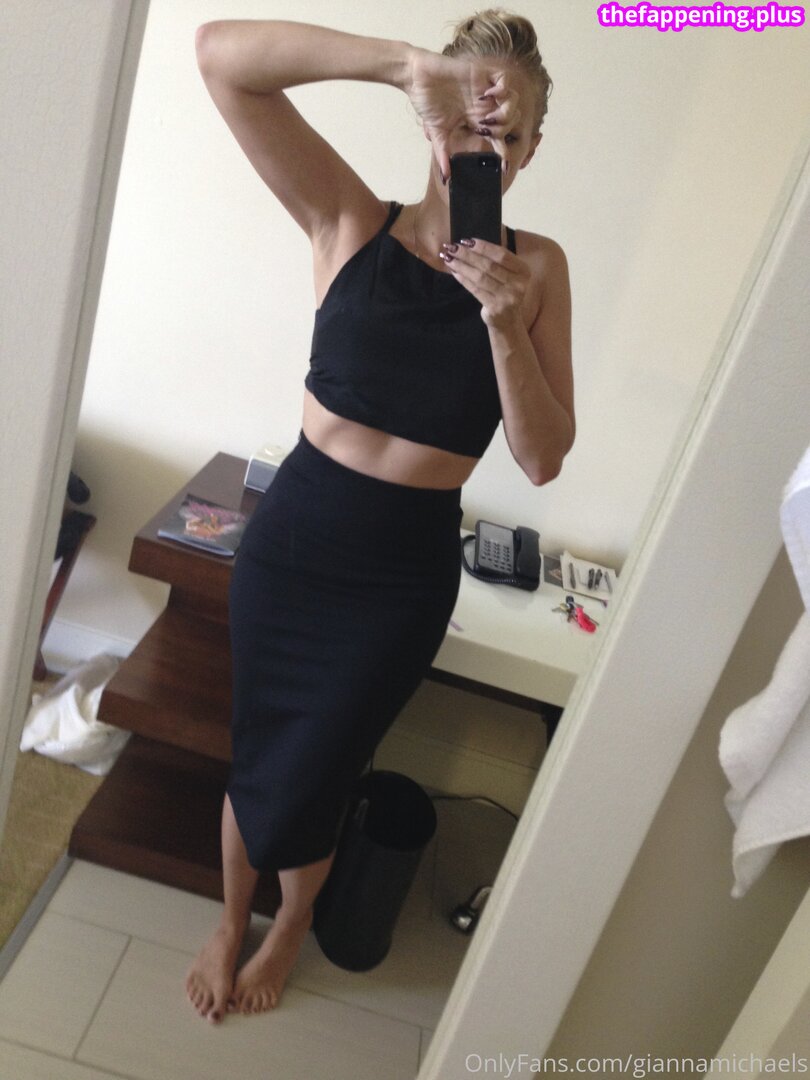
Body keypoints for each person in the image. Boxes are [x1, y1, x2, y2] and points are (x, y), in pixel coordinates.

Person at [186, 10, 575, 1024]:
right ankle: (228, 922)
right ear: (433, 118)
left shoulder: (538, 274)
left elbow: (542, 457)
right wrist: (404, 66)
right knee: (262, 749)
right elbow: (222, 59)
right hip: (295, 546)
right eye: (468, 120)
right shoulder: (349, 222)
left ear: (532, 150)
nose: (485, 149)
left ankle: (288, 926)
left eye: (508, 133)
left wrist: (505, 327)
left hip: (399, 578)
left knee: (324, 767)